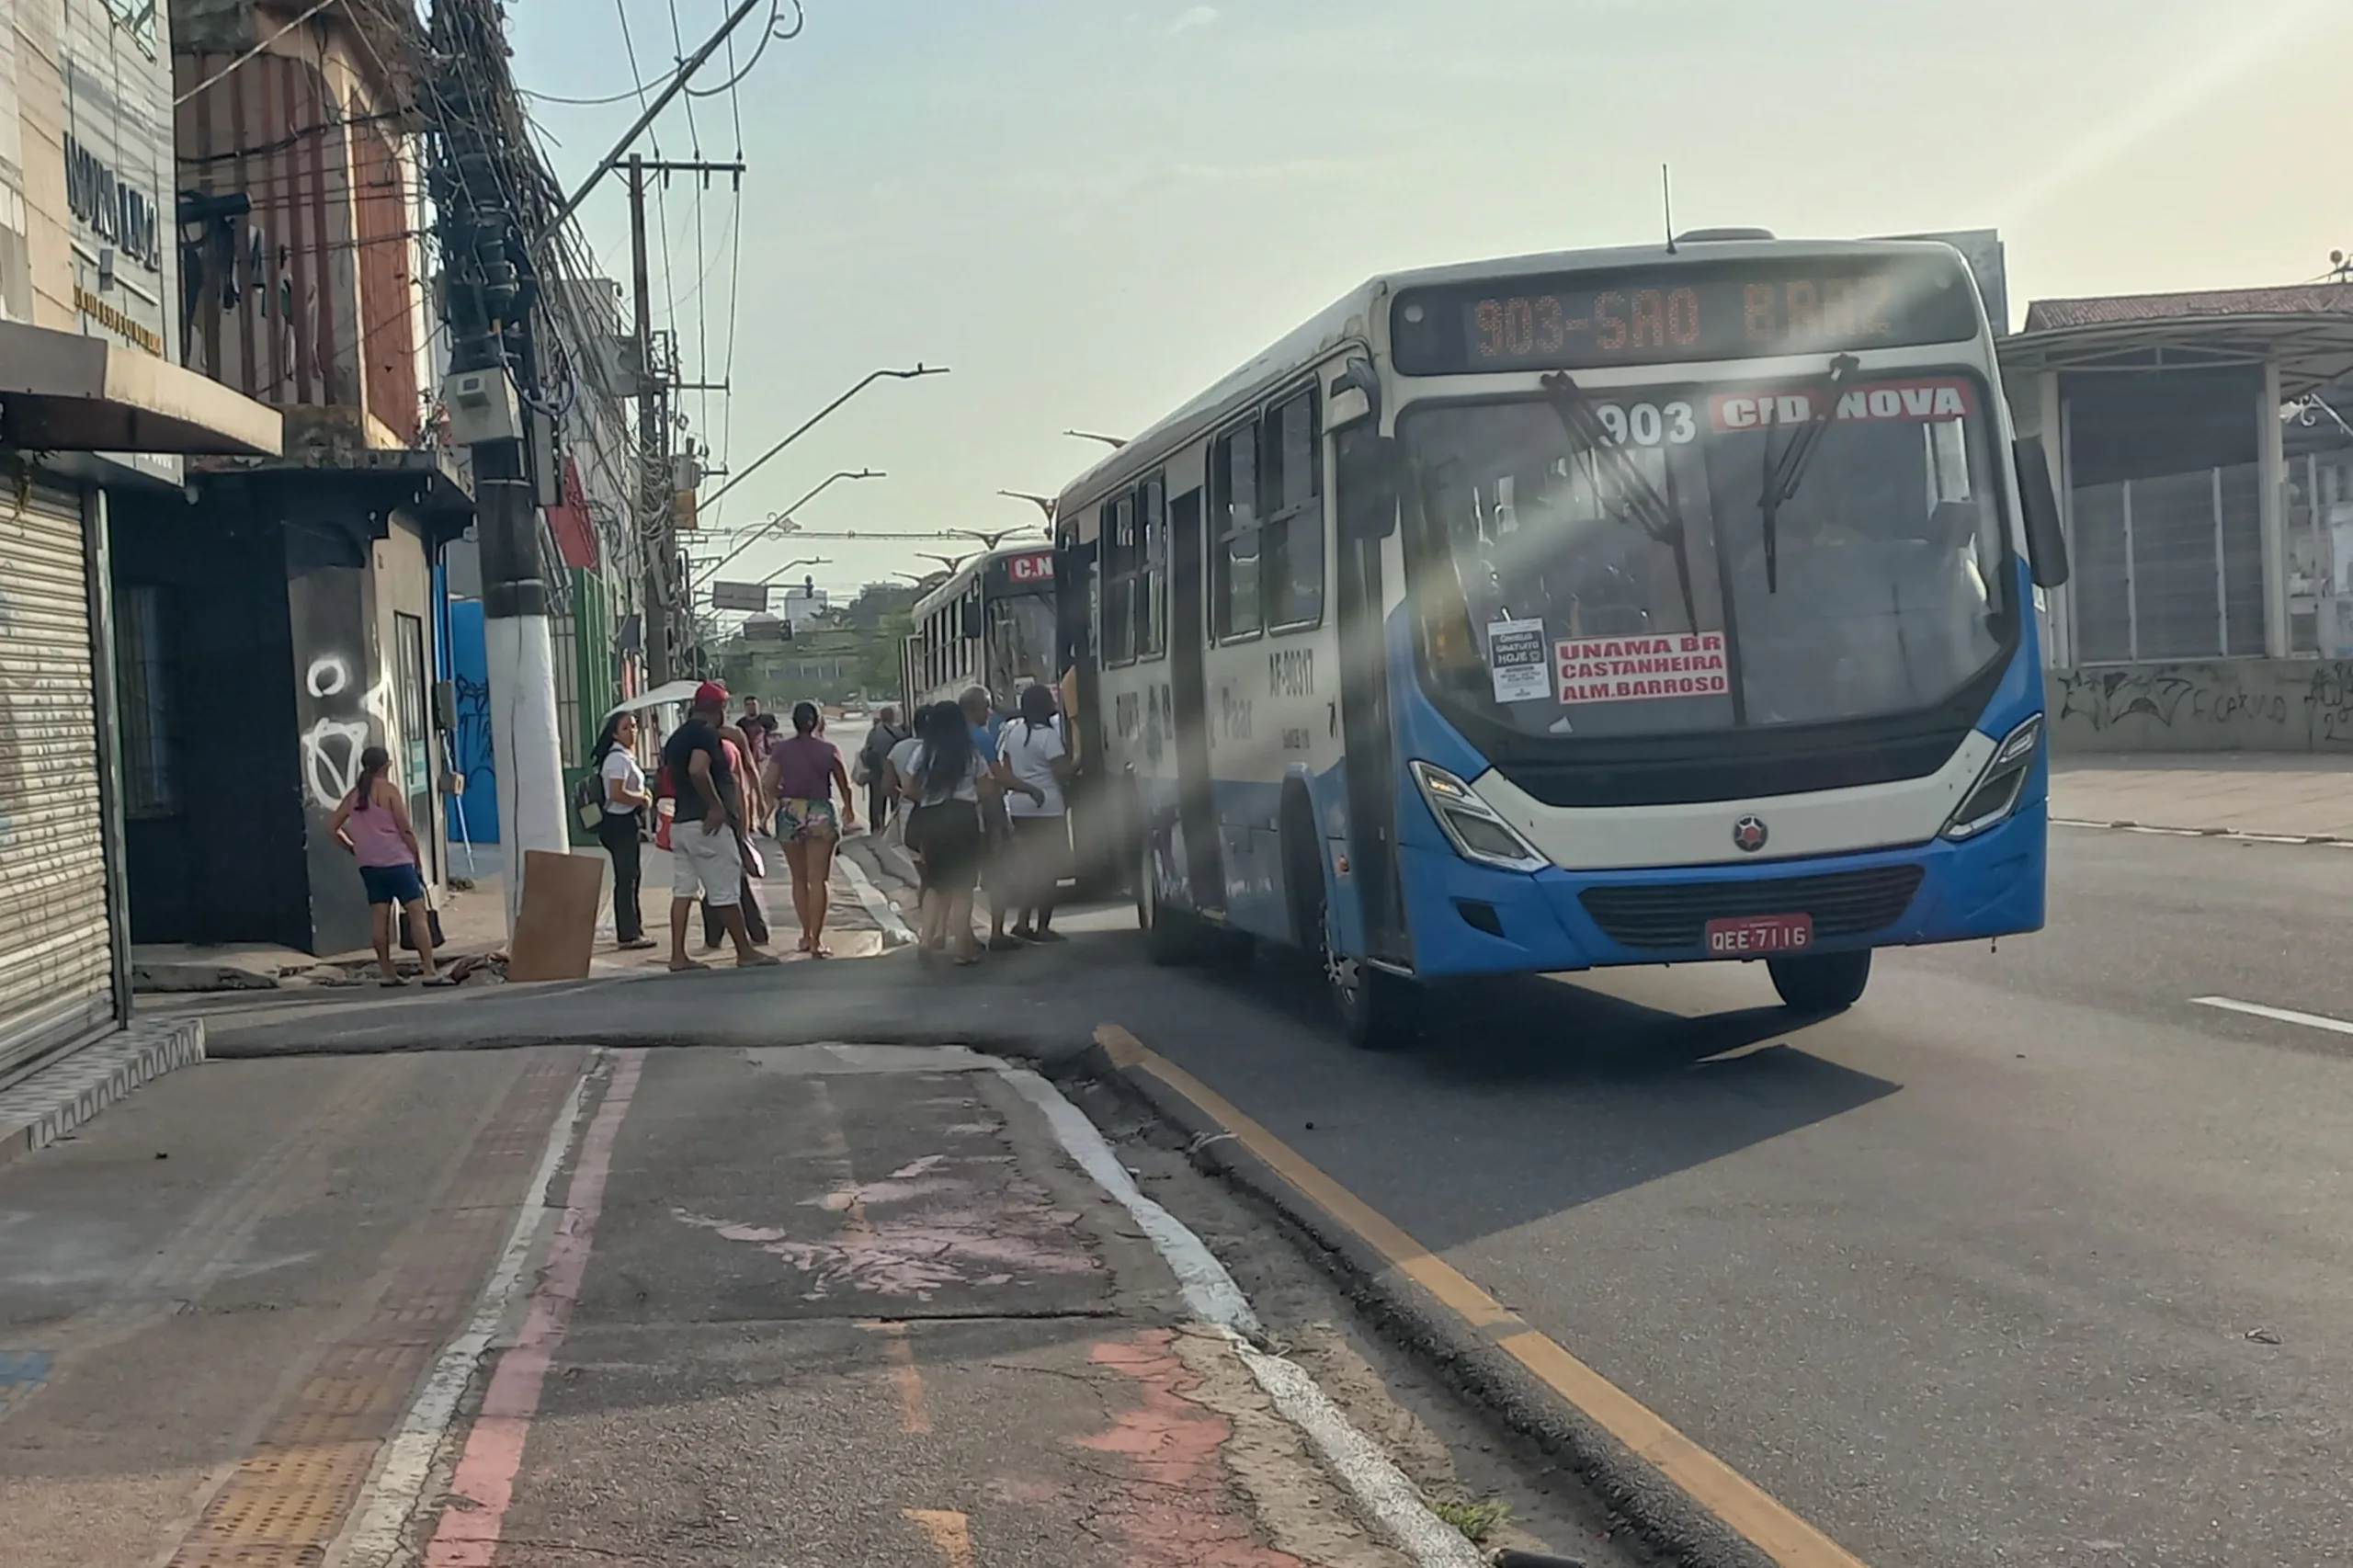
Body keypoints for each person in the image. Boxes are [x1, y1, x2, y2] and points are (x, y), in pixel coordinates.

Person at [661, 681, 779, 971]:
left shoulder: (677, 737)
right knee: (725, 888)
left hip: (682, 822)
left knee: (683, 891)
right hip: (707, 825)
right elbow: (698, 769)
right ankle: (745, 950)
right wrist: (715, 806)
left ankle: (678, 955)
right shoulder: (705, 734)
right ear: (719, 708)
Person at [330, 744, 444, 986]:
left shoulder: (354, 795)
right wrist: (416, 858)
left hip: (369, 864)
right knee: (417, 913)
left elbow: (332, 828)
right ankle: (429, 970)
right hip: (397, 860)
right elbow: (405, 829)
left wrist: (353, 847)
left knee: (379, 917)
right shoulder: (390, 791)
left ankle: (387, 973)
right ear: (387, 766)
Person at [901, 700, 996, 965]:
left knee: (934, 883)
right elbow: (988, 790)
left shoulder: (923, 753)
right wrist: (970, 799)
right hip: (963, 818)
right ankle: (962, 950)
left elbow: (908, 789)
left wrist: (930, 799)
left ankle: (925, 938)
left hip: (932, 819)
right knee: (963, 887)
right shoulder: (970, 753)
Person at [765, 700, 858, 955]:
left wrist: (782, 796)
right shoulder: (829, 749)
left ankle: (805, 935)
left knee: (798, 878)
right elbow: (844, 785)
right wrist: (848, 808)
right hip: (820, 811)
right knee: (819, 879)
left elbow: (768, 782)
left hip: (791, 810)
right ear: (818, 721)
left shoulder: (782, 750)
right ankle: (817, 940)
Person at [998, 683, 1074, 942]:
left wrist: (1025, 785)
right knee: (1048, 871)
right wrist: (1078, 761)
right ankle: (1042, 927)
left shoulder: (1014, 732)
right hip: (1048, 808)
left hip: (1019, 806)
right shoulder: (1049, 736)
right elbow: (1060, 771)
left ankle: (1022, 923)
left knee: (1029, 868)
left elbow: (1006, 769)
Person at [701, 721, 772, 951]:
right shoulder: (726, 742)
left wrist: (752, 809)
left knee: (723, 877)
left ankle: (717, 935)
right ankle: (753, 931)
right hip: (727, 815)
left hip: (711, 817)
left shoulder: (708, 743)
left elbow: (744, 775)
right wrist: (747, 816)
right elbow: (741, 782)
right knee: (731, 876)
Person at [961, 686, 1020, 950]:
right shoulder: (981, 739)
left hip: (960, 814)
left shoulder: (950, 737)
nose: (990, 712)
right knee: (999, 873)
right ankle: (997, 933)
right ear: (974, 709)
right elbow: (998, 776)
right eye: (986, 706)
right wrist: (1030, 788)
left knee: (963, 880)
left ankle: (965, 935)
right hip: (989, 810)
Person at [591, 712, 655, 950]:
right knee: (626, 878)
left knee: (632, 876)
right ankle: (628, 934)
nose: (633, 731)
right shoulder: (617, 759)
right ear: (616, 733)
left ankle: (634, 929)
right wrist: (642, 799)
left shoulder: (625, 757)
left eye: (635, 726)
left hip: (625, 821)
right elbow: (616, 793)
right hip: (619, 822)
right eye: (627, 727)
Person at [858, 704, 910, 833]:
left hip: (876, 772)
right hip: (894, 772)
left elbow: (866, 751)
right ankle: (895, 828)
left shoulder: (874, 731)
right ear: (892, 717)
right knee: (895, 800)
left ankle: (877, 828)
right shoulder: (900, 732)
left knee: (877, 802)